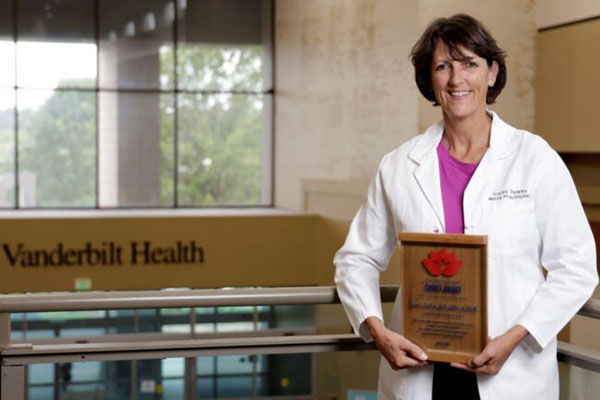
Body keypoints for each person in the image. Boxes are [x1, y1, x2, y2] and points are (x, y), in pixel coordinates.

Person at [334, 14, 598, 400]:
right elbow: (356, 259)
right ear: (430, 79)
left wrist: (515, 337)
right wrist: (377, 331)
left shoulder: (534, 158)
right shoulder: (398, 165)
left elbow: (576, 267)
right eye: (443, 66)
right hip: (420, 371)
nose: (457, 80)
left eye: (470, 64)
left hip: (510, 370)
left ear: (492, 73)